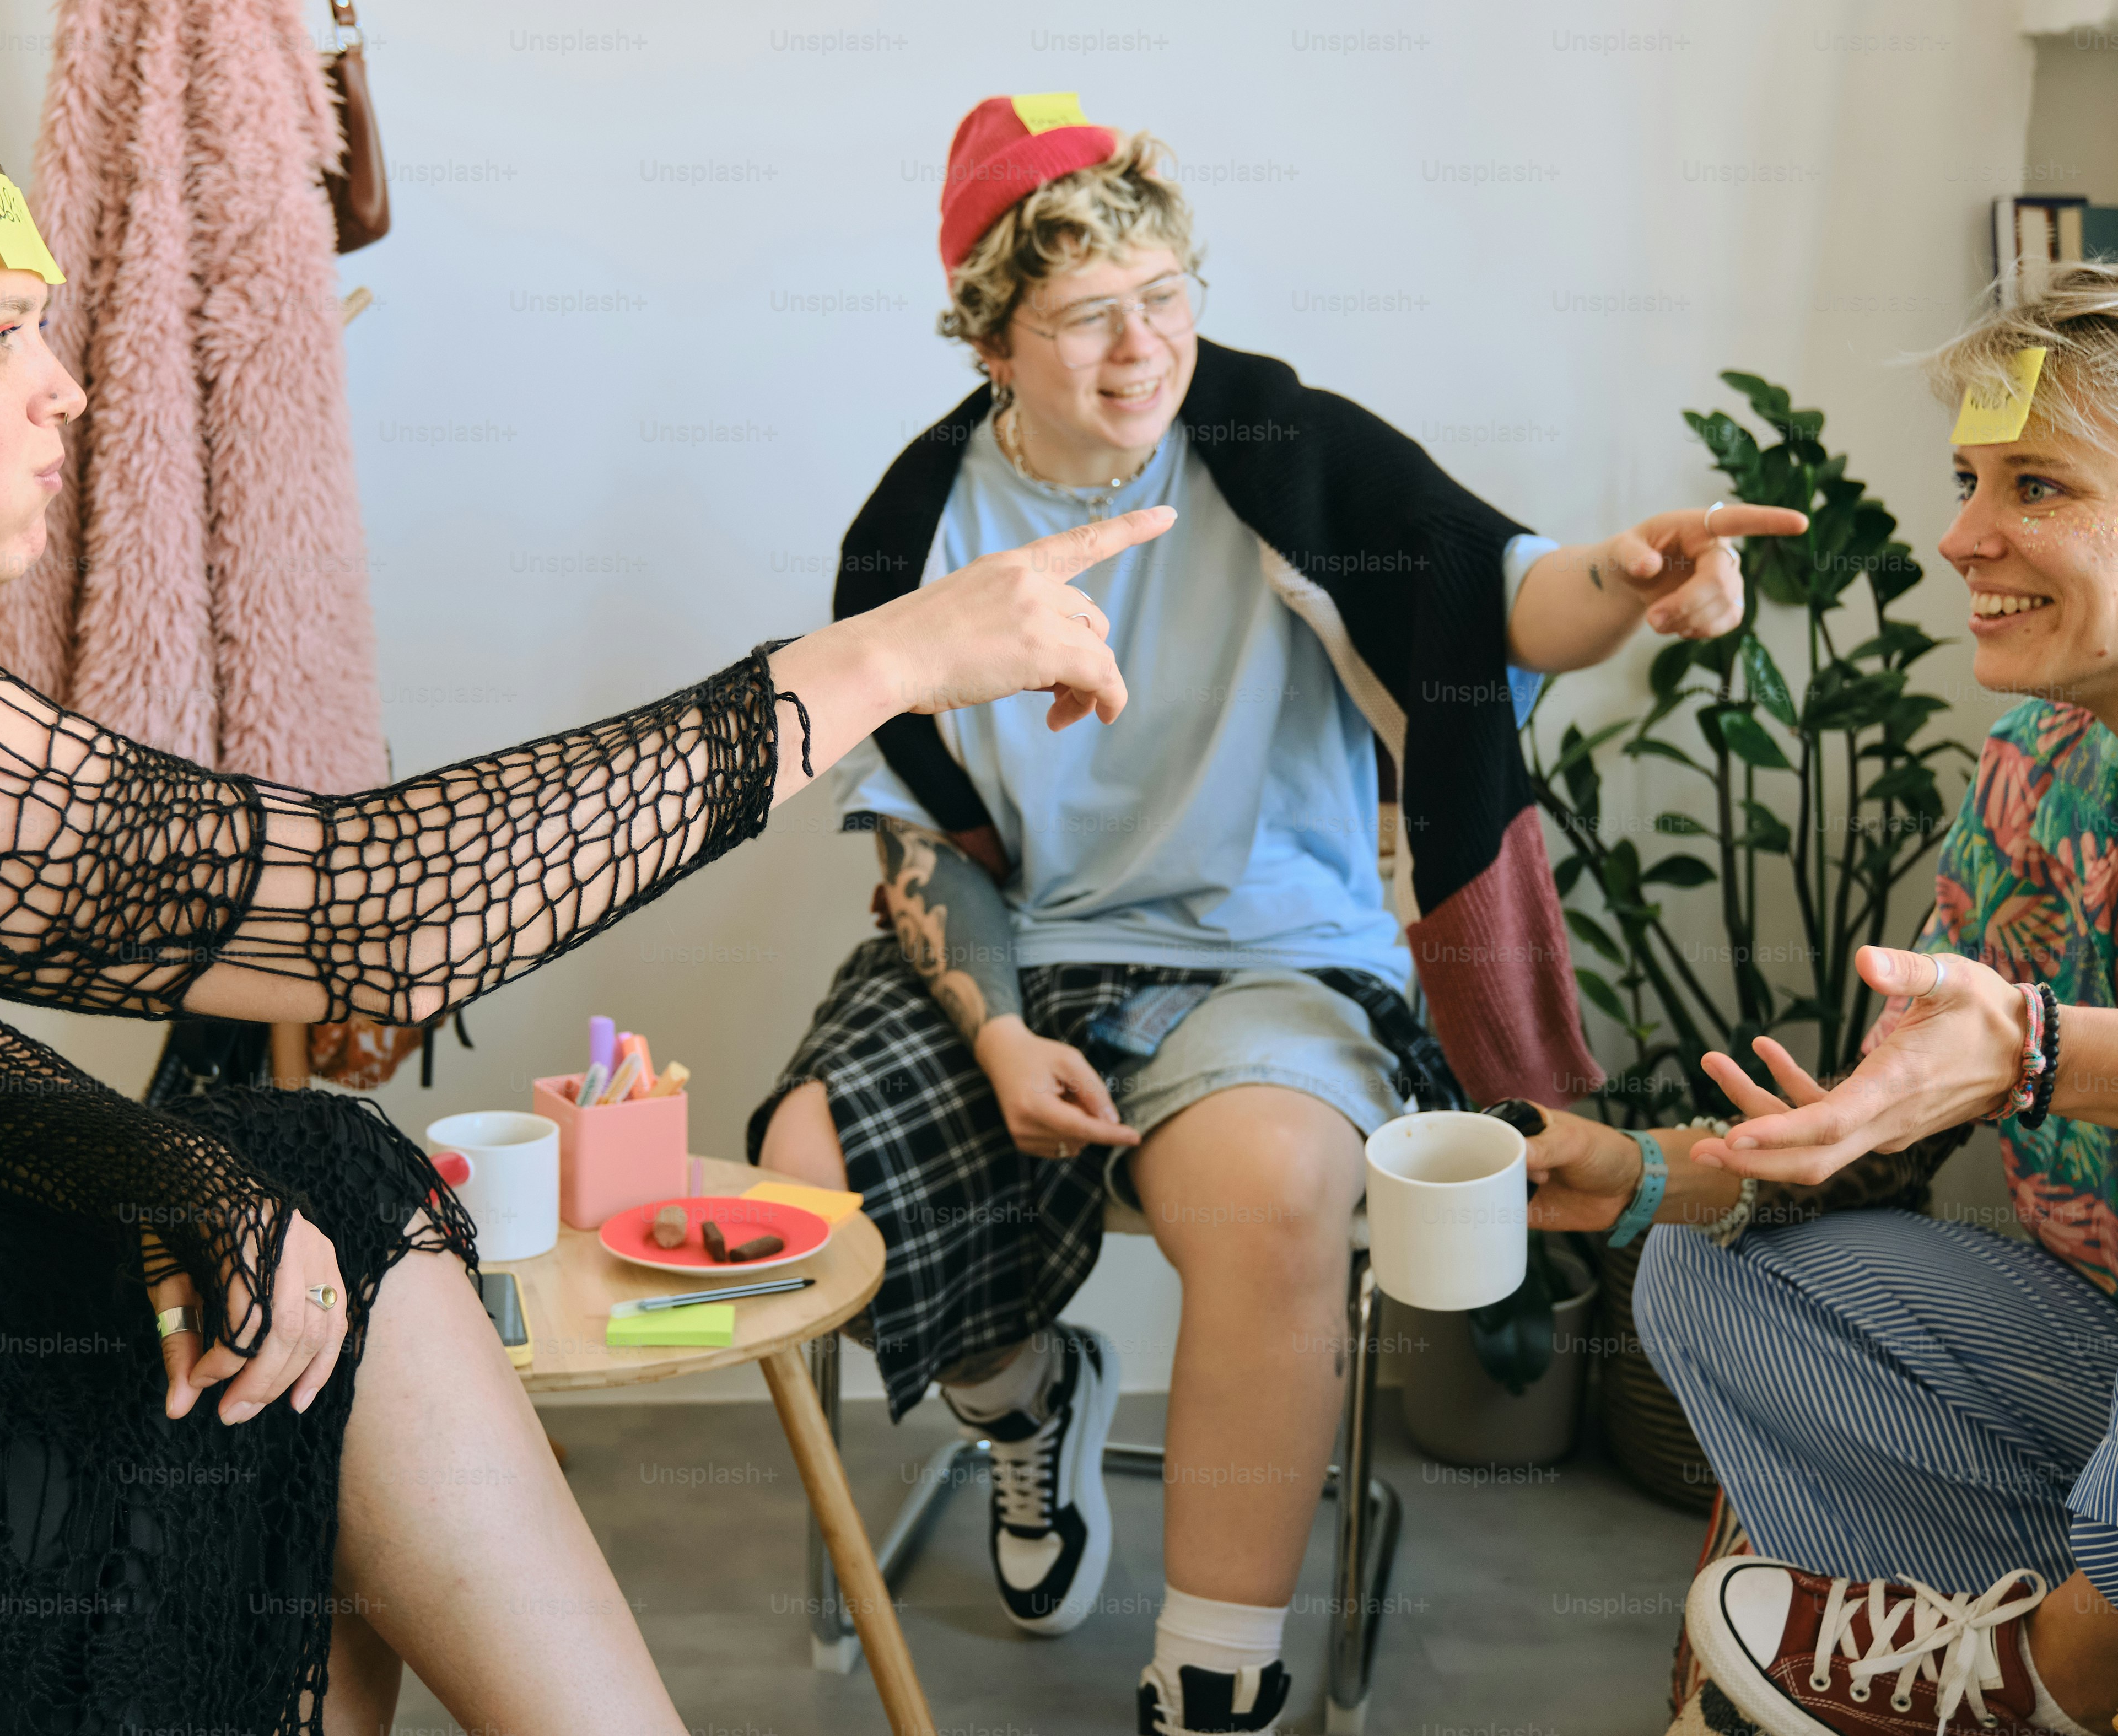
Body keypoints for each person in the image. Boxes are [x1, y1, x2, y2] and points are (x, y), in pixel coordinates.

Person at [0, 87, 1166, 1735]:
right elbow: (373, 917)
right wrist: (888, 660)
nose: (68, 390)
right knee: (332, 1249)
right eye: (5, 335)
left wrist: (173, 1167)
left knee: (303, 1187)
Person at [747, 94, 1802, 1736]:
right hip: (1029, 942)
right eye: (1086, 318)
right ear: (987, 338)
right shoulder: (914, 532)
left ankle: (1214, 1677)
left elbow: (1496, 589)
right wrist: (1004, 1030)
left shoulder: (1282, 445)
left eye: (1164, 299)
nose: (1140, 350)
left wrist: (1630, 569)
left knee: (1277, 1196)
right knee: (811, 1176)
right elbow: (924, 840)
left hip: (1267, 950)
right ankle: (1026, 1409)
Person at [1521, 261, 2118, 1734]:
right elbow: (1907, 1123)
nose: (1963, 536)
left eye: (2037, 486)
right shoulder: (2042, 764)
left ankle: (2071, 1671)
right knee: (1711, 1276)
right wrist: (1651, 1171)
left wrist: (2047, 1052)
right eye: (1973, 479)